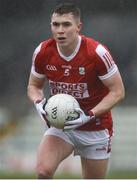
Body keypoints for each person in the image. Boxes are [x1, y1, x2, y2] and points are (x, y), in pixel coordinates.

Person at [27, 3, 125, 179]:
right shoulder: (42, 51)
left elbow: (117, 92)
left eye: (66, 24)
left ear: (78, 27)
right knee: (43, 171)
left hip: (95, 128)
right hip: (61, 126)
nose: (60, 30)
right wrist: (38, 104)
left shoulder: (97, 53)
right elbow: (34, 86)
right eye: (55, 24)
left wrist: (89, 114)